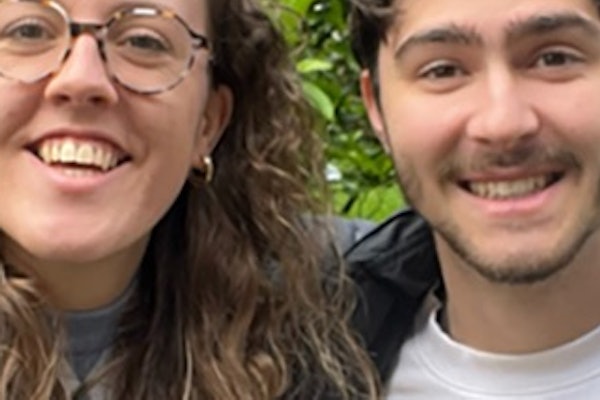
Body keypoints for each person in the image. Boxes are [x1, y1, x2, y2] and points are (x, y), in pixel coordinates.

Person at [0, 0, 379, 398]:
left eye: (144, 41)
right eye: (27, 31)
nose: (81, 79)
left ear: (208, 124)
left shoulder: (340, 303)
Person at [347, 0, 600, 398]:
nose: (503, 124)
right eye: (442, 71)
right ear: (376, 108)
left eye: (554, 59)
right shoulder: (293, 370)